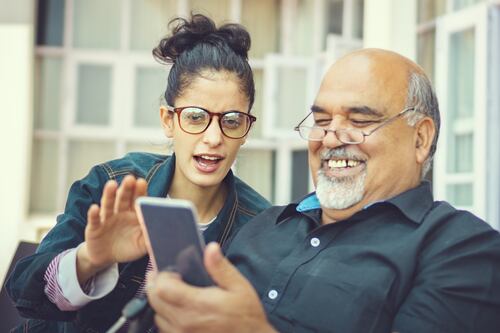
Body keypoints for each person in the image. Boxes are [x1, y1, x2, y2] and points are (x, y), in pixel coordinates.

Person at [145, 48, 500, 333]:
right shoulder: (263, 225)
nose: (330, 138)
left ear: (420, 138)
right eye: (322, 121)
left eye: (360, 121)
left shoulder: (463, 250)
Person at [6, 14, 270, 333]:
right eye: (196, 117)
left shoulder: (261, 229)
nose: (213, 138)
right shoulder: (113, 184)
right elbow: (24, 289)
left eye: (231, 120)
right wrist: (91, 258)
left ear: (246, 129)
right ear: (168, 120)